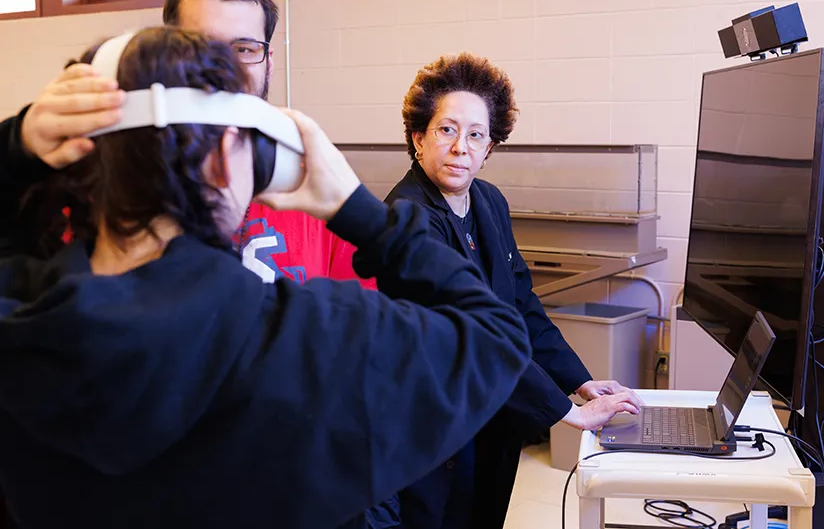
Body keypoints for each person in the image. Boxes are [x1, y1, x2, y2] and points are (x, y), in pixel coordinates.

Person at [0, 27, 535, 529]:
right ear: (230, 163)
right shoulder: (318, 339)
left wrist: (16, 148)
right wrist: (360, 213)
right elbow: (496, 336)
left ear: (74, 159)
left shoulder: (21, 318)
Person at [381, 52, 643, 529]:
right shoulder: (408, 218)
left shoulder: (488, 202)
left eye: (476, 135)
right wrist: (568, 413)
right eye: (446, 130)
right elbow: (474, 337)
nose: (461, 147)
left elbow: (520, 305)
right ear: (418, 138)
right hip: (432, 433)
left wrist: (578, 382)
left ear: (489, 148)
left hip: (490, 424)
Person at [162, 0, 375, 288]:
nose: (225, 70)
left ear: (268, 62)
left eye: (244, 49)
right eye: (201, 49)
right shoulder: (123, 181)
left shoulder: (314, 182)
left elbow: (364, 322)